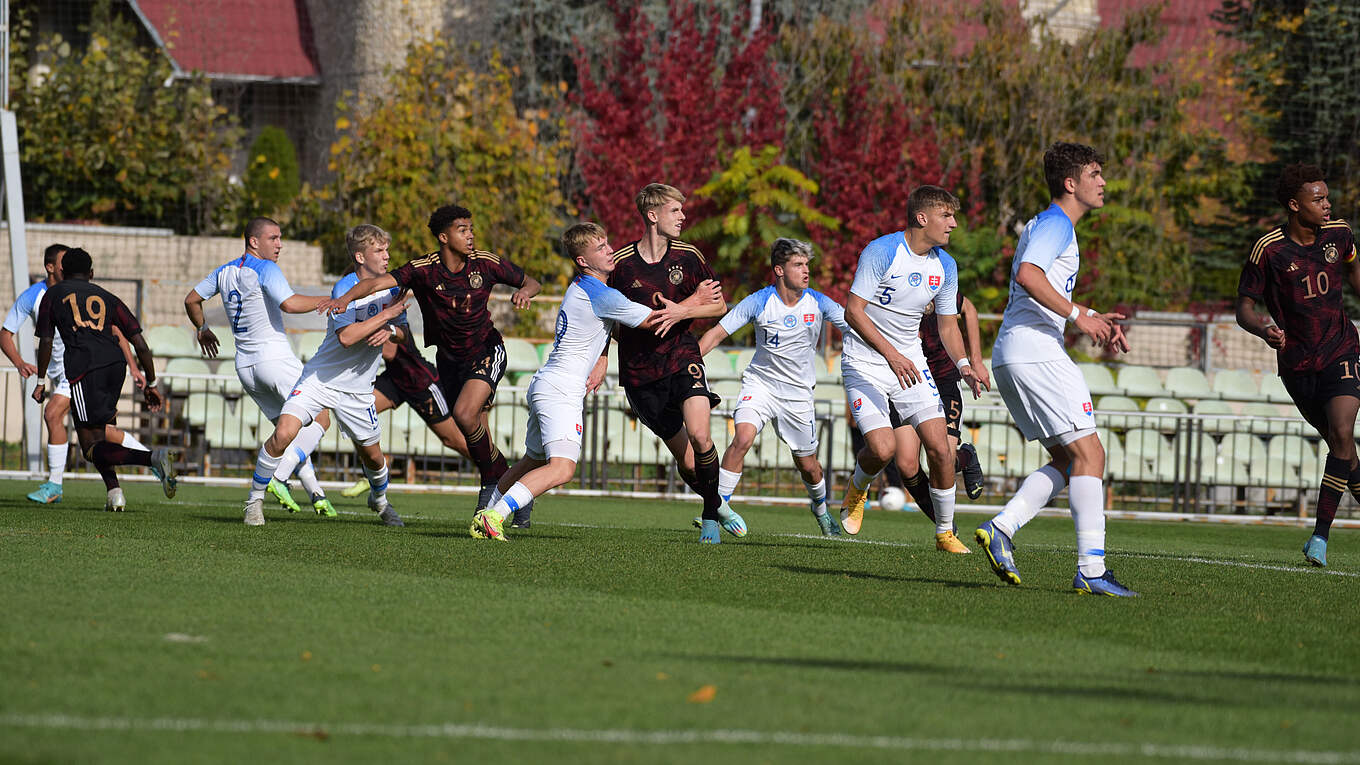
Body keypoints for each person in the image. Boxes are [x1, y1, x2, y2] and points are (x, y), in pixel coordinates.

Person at [974, 141, 1135, 596]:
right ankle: (1092, 569)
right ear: (1070, 183)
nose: (1103, 182)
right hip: (1035, 351)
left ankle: (1002, 529)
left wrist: (1091, 314)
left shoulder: (1048, 224)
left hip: (1017, 351)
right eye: (1094, 174)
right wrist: (1078, 315)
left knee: (1068, 459)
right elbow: (1028, 275)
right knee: (1092, 456)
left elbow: (1039, 285)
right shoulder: (1056, 223)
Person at [326, 205, 540, 519]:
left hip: (486, 350)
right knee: (473, 430)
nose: (470, 235)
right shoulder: (422, 269)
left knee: (464, 416)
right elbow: (374, 284)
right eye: (462, 230)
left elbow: (531, 281)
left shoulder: (485, 262)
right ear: (443, 237)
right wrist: (344, 299)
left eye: (470, 228)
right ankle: (513, 487)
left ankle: (491, 485)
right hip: (449, 362)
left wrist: (525, 292)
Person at [471, 222, 669, 539]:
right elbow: (652, 320)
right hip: (561, 388)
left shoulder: (583, 287)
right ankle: (495, 516)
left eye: (607, 243)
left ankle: (485, 514)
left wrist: (603, 357)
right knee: (562, 468)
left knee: (532, 461)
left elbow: (605, 327)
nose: (610, 250)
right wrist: (695, 303)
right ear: (582, 261)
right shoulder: (600, 293)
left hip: (548, 382)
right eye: (600, 247)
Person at [836, 185, 985, 554]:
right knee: (883, 448)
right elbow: (853, 312)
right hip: (864, 362)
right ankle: (858, 486)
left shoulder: (945, 266)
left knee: (940, 448)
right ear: (922, 218)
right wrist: (891, 355)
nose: (953, 224)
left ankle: (945, 534)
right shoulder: (882, 251)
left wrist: (964, 364)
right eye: (946, 216)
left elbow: (948, 326)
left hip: (910, 363)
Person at [243, 224, 410, 527]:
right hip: (320, 378)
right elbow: (347, 337)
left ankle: (380, 500)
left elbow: (404, 334)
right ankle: (254, 502)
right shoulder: (344, 287)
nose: (387, 256)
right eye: (379, 250)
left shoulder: (393, 288)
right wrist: (386, 316)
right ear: (360, 257)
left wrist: (391, 330)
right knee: (283, 433)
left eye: (387, 250)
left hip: (358, 389)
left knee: (374, 458)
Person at [1236, 162, 1360, 568]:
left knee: (1343, 431)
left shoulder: (1340, 234)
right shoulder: (1269, 249)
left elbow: (1354, 270)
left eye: (1327, 197)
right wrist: (1263, 329)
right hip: (1297, 364)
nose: (1327, 205)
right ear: (1294, 205)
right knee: (1343, 451)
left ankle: (1320, 536)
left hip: (1341, 349)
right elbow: (1244, 308)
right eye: (1318, 199)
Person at [607, 183, 746, 543]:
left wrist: (682, 311)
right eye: (675, 210)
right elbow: (605, 319)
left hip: (683, 356)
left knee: (701, 435)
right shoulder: (620, 265)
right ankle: (718, 504)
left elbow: (719, 305)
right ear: (652, 215)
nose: (683, 216)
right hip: (640, 372)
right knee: (687, 463)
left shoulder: (689, 256)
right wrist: (605, 357)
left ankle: (710, 520)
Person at [696, 238, 850, 537]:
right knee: (742, 438)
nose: (806, 270)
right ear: (779, 270)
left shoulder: (819, 302)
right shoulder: (759, 301)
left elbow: (855, 325)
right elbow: (716, 334)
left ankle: (820, 509)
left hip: (797, 395)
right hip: (761, 385)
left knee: (809, 467)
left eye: (807, 264)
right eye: (798, 265)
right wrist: (685, 365)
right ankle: (714, 515)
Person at [185, 217, 338, 516]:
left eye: (280, 238)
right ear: (254, 241)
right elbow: (290, 304)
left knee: (288, 433)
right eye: (273, 238)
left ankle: (304, 496)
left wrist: (202, 329)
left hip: (246, 367)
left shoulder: (224, 270)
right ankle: (277, 477)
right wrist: (332, 299)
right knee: (321, 417)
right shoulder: (266, 268)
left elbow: (191, 300)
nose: (279, 244)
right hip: (275, 359)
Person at [3, 244, 151, 503]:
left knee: (55, 416)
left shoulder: (72, 294)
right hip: (73, 371)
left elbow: (115, 331)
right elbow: (5, 334)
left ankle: (55, 485)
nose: (64, 269)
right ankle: (117, 490)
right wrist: (19, 362)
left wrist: (135, 366)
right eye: (61, 264)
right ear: (51, 267)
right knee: (98, 435)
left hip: (79, 371)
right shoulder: (35, 296)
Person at [32, 248, 177, 511]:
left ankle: (153, 458)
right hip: (115, 366)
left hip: (85, 369)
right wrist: (151, 384)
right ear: (91, 273)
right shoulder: (108, 297)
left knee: (90, 446)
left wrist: (41, 381)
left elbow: (46, 341)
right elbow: (140, 344)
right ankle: (114, 493)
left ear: (62, 272)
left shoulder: (53, 294)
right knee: (99, 435)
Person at [881, 293, 989, 529]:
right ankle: (945, 525)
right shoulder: (888, 289)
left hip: (943, 380)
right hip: (908, 381)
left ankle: (966, 457)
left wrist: (976, 360)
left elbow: (968, 309)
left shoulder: (936, 284)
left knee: (942, 459)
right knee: (906, 465)